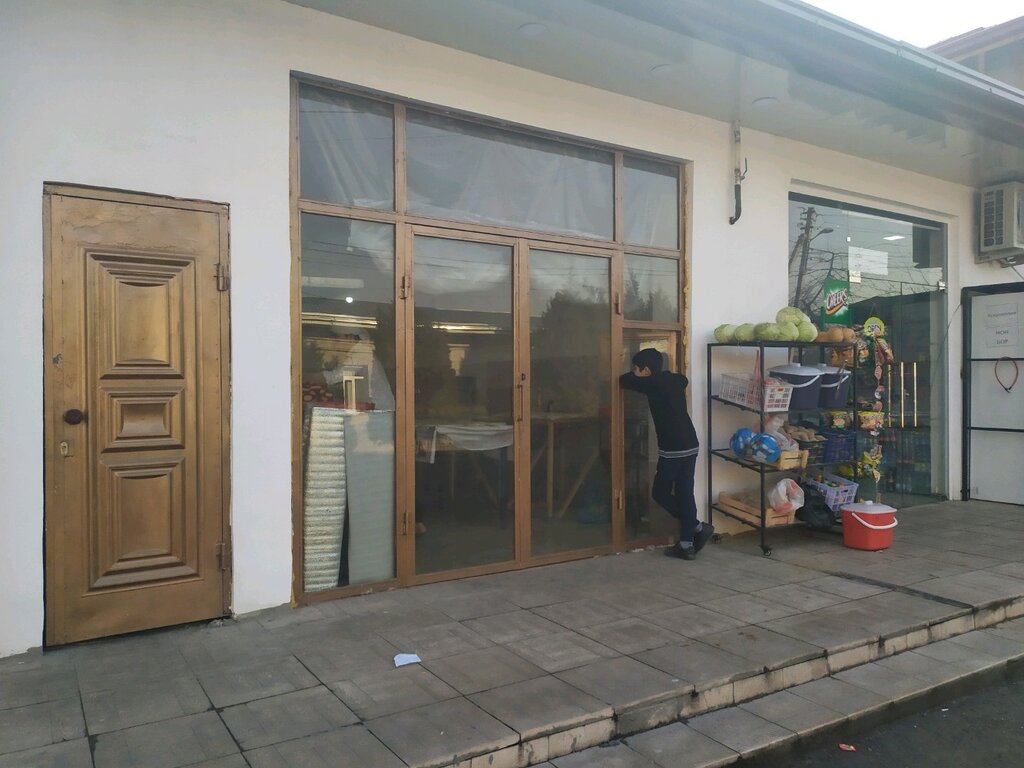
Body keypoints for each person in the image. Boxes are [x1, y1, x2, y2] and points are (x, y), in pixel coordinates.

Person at [620, 348, 713, 560]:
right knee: (684, 491)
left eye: (636, 368)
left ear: (646, 370)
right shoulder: (673, 380)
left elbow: (624, 380)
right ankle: (686, 543)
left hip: (673, 449)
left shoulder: (651, 384)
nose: (633, 372)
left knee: (660, 493)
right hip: (690, 443)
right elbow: (682, 379)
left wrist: (634, 376)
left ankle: (696, 527)